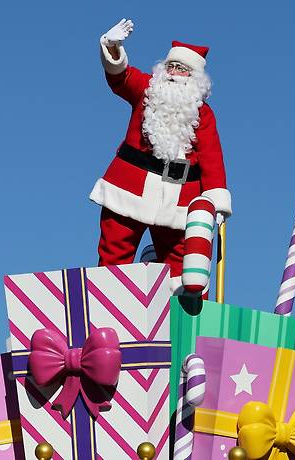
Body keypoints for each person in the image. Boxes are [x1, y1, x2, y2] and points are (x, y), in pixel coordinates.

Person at [90, 19, 231, 292]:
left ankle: (179, 316)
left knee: (181, 264)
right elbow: (120, 77)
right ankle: (106, 307)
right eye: (171, 66)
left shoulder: (202, 114)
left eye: (182, 69)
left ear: (195, 78)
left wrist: (216, 201)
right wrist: (112, 46)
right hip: (127, 191)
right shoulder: (146, 89)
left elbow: (212, 158)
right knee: (114, 255)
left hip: (178, 201)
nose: (174, 73)